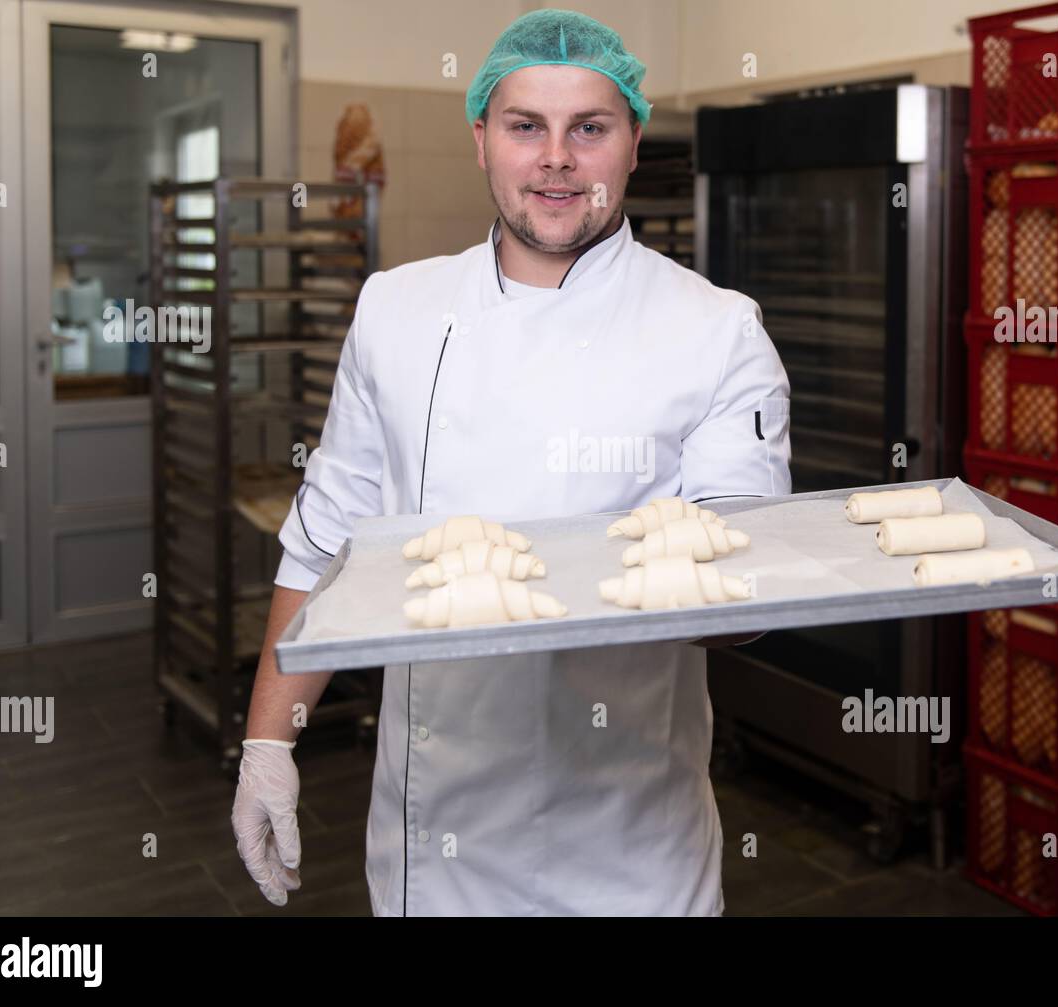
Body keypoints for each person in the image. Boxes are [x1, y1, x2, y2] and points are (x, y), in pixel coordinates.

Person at [232, 8, 792, 916]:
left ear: (634, 143)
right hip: (433, 841)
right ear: (482, 140)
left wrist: (720, 577)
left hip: (632, 847)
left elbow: (743, 600)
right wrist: (269, 743)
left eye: (590, 128)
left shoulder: (717, 330)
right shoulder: (396, 310)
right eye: (526, 125)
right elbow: (323, 543)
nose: (556, 158)